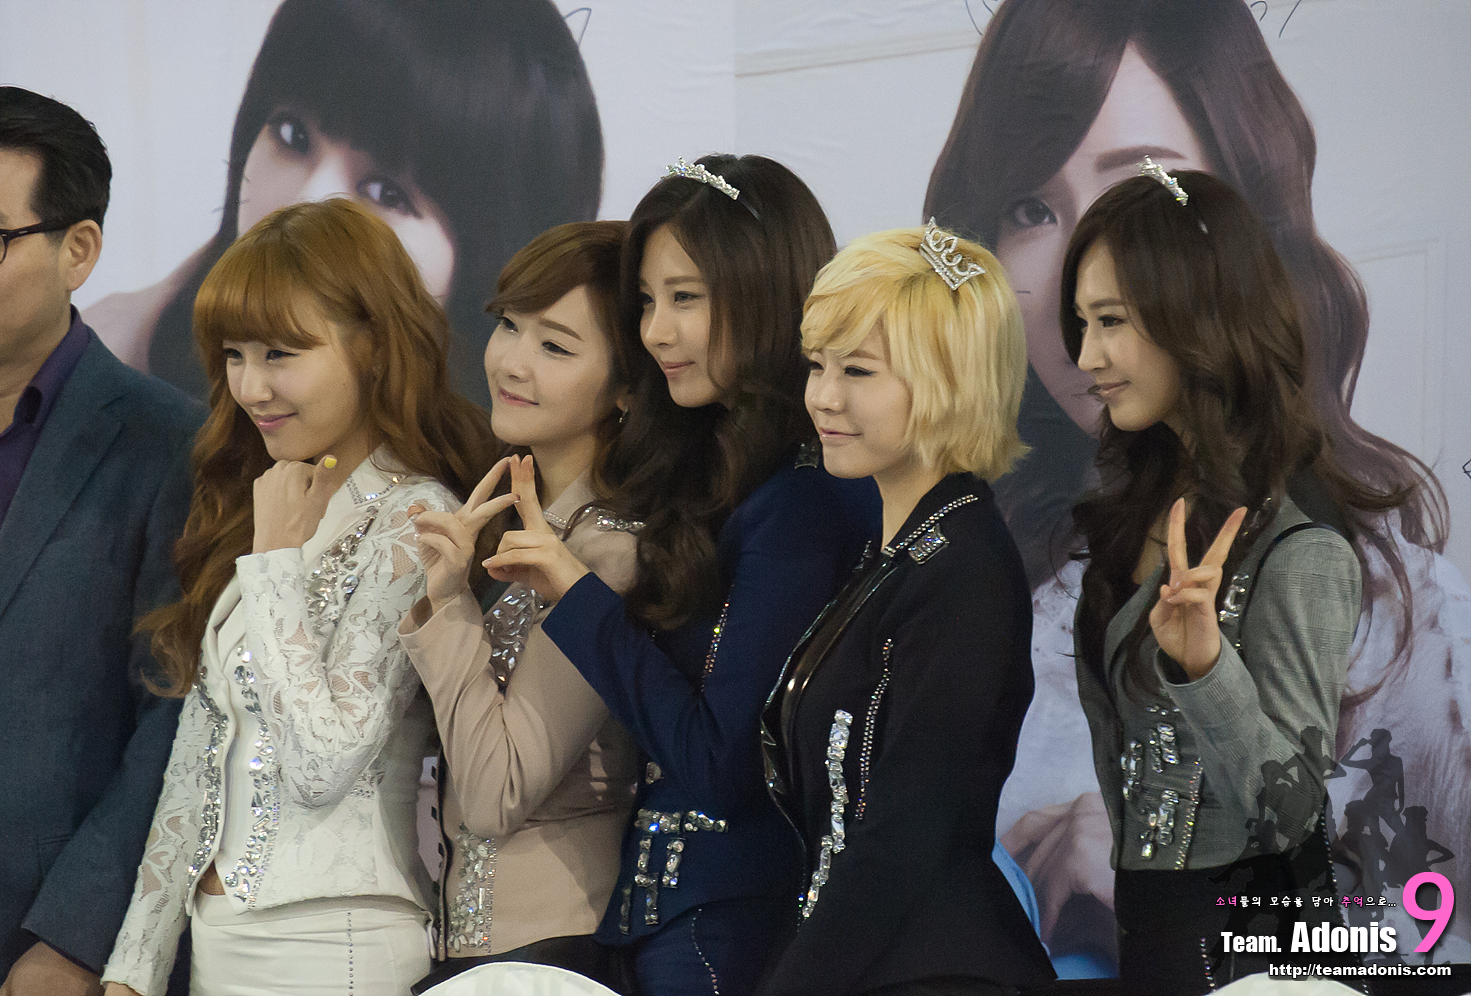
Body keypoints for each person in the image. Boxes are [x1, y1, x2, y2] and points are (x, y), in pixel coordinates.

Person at [923, 0, 1463, 969]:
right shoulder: (977, 565)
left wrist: (1166, 878)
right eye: (1032, 209)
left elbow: (1431, 935)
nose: (1088, 270)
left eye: (1146, 193)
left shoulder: (1393, 608)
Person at [478, 154, 878, 996]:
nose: (656, 332)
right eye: (647, 302)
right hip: (658, 924)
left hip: (732, 929)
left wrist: (577, 596)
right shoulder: (715, 482)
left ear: (764, 292)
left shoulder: (802, 501)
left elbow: (723, 760)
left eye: (685, 298)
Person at [99, 198, 499, 996]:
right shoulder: (271, 499)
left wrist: (275, 560)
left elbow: (324, 761)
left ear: (373, 345)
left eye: (280, 353)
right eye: (234, 354)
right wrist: (133, 968)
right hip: (219, 945)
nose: (251, 386)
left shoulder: (415, 517)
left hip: (335, 941)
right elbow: (199, 760)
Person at [1062, 167, 1415, 992]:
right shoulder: (1143, 504)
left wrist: (1206, 668)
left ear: (1197, 314)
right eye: (1081, 324)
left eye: (1110, 321)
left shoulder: (1298, 539)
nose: (1086, 357)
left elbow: (1292, 813)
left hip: (1254, 952)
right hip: (1151, 933)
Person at [757, 222, 1055, 995]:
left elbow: (904, 830)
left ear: (951, 379)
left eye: (858, 370)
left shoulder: (963, 567)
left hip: (937, 970)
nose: (823, 396)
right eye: (817, 365)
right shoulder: (902, 553)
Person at [0, 86, 203, 996]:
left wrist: (74, 938)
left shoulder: (171, 444)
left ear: (79, 250)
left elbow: (175, 715)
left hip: (56, 950)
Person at [86, 0, 603, 406]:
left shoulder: (537, 477)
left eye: (385, 192)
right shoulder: (111, 367)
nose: (305, 204)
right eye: (292, 135)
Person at [397, 221, 638, 991]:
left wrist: (450, 606)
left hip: (553, 954)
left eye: (556, 346)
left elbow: (495, 794)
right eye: (509, 326)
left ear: (628, 386)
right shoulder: (516, 519)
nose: (512, 361)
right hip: (473, 950)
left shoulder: (609, 553)